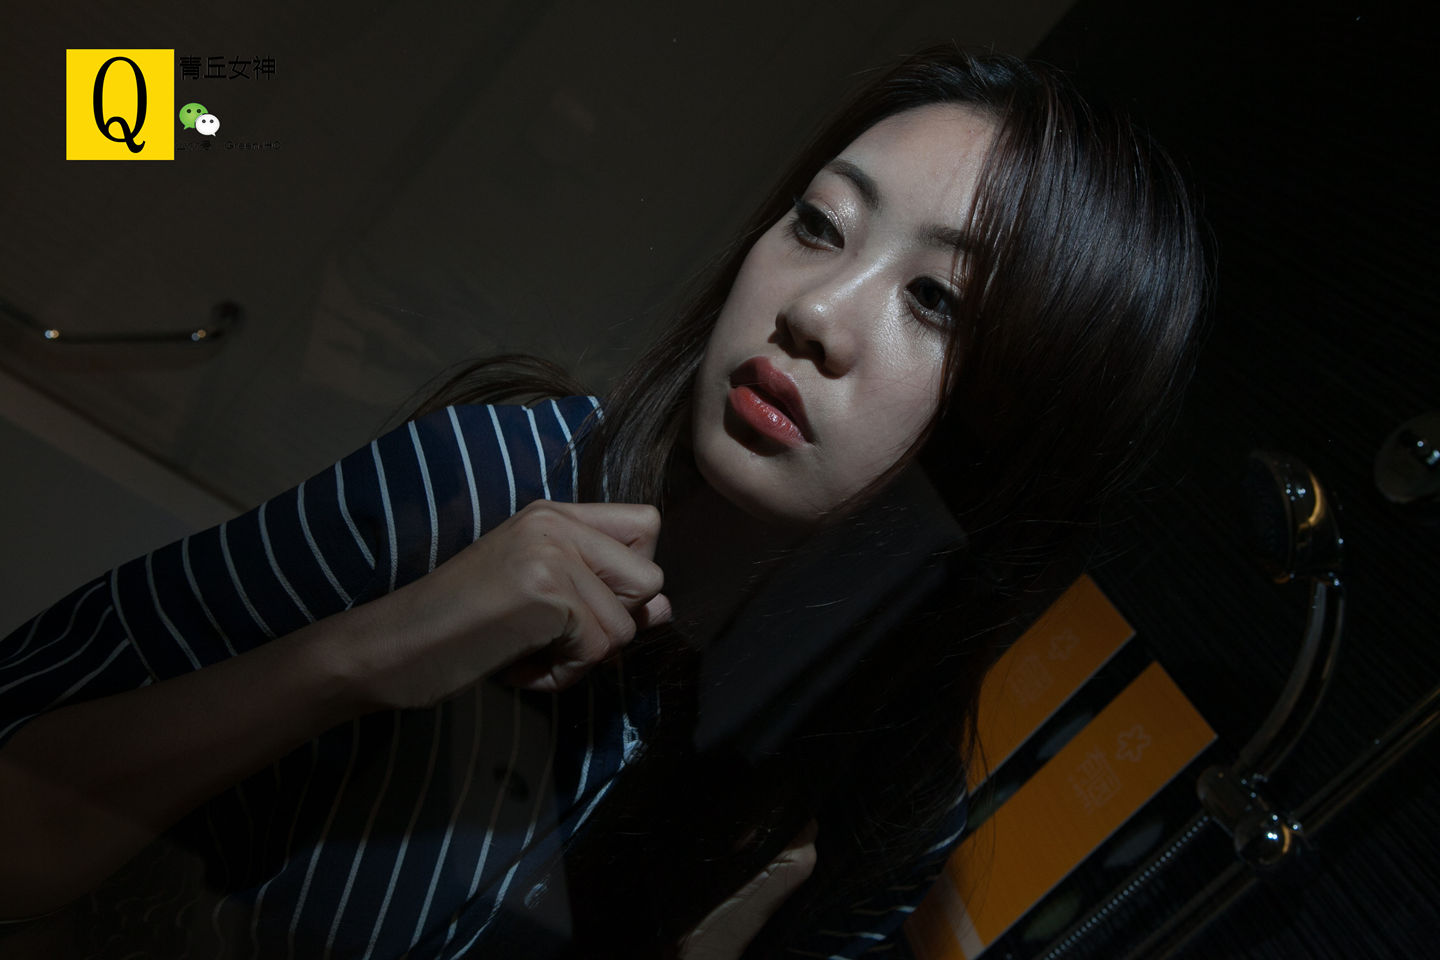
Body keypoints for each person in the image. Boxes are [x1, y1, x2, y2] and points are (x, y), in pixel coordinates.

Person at [0, 46, 1204, 959]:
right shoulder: (489, 480)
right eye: (819, 224)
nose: (814, 311)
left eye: (935, 300)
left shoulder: (887, 809)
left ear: (1023, 431)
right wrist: (365, 654)